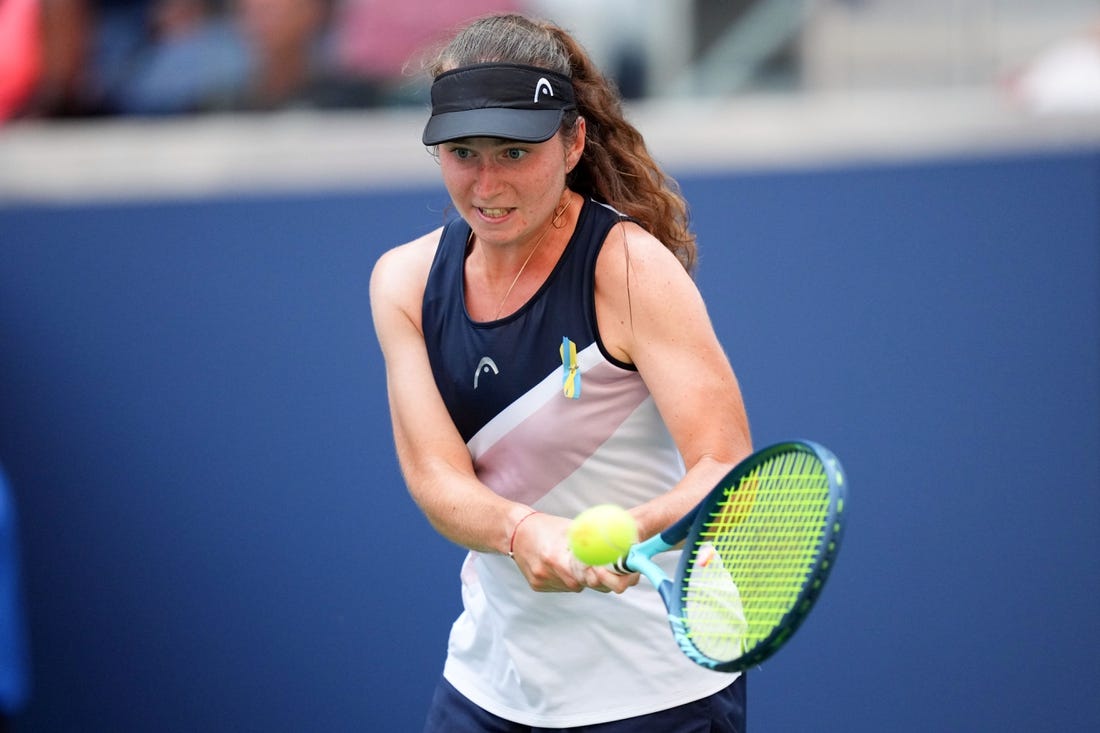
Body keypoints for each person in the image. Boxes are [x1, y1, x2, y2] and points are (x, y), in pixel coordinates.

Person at [369, 12, 751, 731]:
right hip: (490, 686)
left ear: (573, 141)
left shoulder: (631, 269)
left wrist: (637, 528)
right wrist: (523, 531)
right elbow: (437, 479)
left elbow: (722, 461)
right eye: (462, 152)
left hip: (656, 692)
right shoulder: (403, 282)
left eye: (515, 152)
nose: (486, 183)